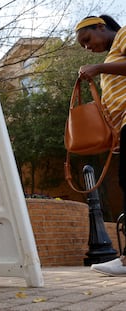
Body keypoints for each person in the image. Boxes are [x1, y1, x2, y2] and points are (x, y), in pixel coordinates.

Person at [75, 15, 126, 276]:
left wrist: (99, 68)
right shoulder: (110, 58)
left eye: (87, 39)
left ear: (100, 26)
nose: (87, 47)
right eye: (83, 45)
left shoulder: (124, 34)